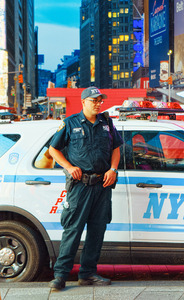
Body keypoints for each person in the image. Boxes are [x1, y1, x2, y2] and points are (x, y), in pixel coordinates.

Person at [48, 86, 123, 290]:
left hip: (102, 184)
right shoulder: (70, 123)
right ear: (83, 102)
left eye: (100, 100)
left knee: (97, 231)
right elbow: (53, 149)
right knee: (73, 230)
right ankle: (61, 276)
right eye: (94, 100)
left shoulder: (107, 123)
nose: (98, 104)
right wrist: (69, 166)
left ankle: (88, 274)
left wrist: (113, 169)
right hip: (80, 187)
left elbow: (116, 148)